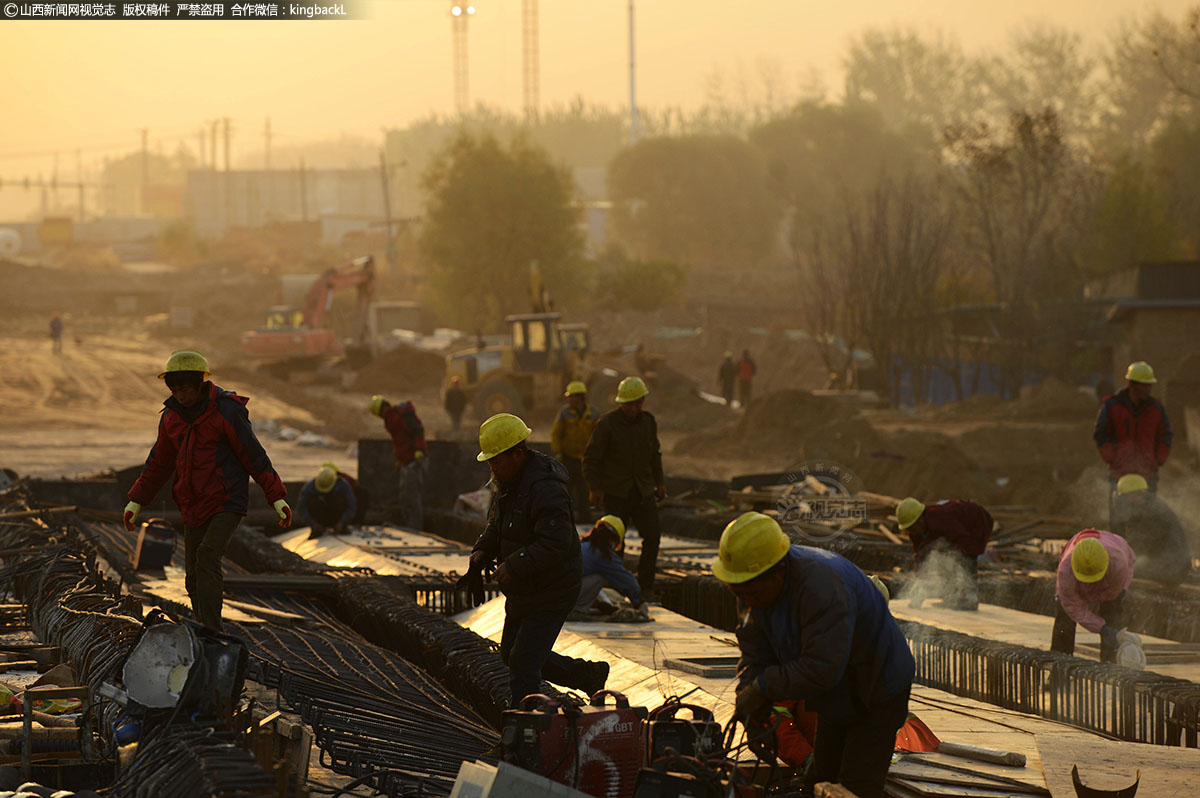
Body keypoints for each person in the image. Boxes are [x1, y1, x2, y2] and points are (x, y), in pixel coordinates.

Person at [715, 512, 914, 798]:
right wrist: (753, 705)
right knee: (819, 779)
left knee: (854, 788)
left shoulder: (821, 587)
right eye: (739, 593)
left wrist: (764, 688)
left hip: (878, 686)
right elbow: (755, 651)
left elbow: (821, 667)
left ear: (778, 571)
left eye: (753, 594)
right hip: (838, 689)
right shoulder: (755, 591)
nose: (747, 602)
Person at [123, 349, 290, 631]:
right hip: (192, 504)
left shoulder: (227, 411)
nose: (180, 395)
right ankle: (203, 627)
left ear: (200, 383)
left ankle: (213, 632)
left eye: (185, 388)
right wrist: (136, 501)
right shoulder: (171, 418)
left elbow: (253, 454)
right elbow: (158, 463)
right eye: (174, 389)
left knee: (207, 556)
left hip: (226, 501)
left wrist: (276, 496)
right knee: (191, 578)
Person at [468, 413, 608, 706]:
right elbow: (498, 525)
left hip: (552, 589)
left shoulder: (546, 487)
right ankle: (585, 675)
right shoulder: (508, 484)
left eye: (496, 460)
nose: (491, 467)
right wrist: (482, 551)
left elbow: (555, 542)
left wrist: (513, 564)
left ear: (517, 454)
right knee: (510, 654)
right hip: (526, 588)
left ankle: (528, 737)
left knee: (523, 666)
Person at [583, 376, 665, 597]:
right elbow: (591, 459)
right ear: (621, 403)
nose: (635, 408)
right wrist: (595, 487)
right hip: (616, 492)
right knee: (614, 542)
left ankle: (645, 585)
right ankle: (617, 587)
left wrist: (659, 482)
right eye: (630, 404)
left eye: (639, 403)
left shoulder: (648, 422)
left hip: (642, 491)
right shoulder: (607, 425)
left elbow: (654, 455)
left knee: (653, 535)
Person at [1094, 361, 1171, 522]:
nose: (1149, 389)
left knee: (1148, 519)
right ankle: (1119, 546)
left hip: (1148, 475)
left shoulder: (1156, 408)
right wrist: (1112, 458)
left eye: (1150, 385)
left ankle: (1143, 547)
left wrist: (1158, 459)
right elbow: (1101, 434)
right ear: (1132, 385)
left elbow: (1166, 435)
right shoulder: (1112, 406)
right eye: (1145, 385)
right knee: (1118, 518)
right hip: (1119, 474)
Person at [1051, 529, 1135, 663]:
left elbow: (1111, 594)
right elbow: (1073, 606)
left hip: (1112, 576)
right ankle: (1059, 665)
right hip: (1076, 576)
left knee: (1112, 613)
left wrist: (1108, 629)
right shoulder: (1065, 569)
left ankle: (1111, 666)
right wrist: (1101, 628)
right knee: (1064, 615)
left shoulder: (1119, 562)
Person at [896, 497, 992, 611]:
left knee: (966, 556)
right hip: (959, 531)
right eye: (908, 529)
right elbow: (920, 556)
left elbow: (963, 539)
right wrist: (920, 582)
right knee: (944, 559)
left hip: (977, 521)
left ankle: (970, 598)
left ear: (920, 519)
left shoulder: (941, 519)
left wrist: (956, 556)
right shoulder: (915, 532)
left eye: (912, 528)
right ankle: (949, 597)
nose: (911, 532)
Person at [1110, 474, 1191, 587]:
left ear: (1136, 495)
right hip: (1170, 564)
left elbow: (1141, 544)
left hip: (1173, 569)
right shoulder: (1145, 507)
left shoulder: (1153, 513)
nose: (1125, 501)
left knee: (1124, 573)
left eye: (1126, 497)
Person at [369, 395, 428, 530]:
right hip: (406, 462)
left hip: (415, 461)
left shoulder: (403, 414)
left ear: (383, 408)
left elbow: (417, 431)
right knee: (404, 497)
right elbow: (399, 442)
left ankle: (415, 528)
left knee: (412, 497)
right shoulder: (390, 419)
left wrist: (419, 450)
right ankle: (409, 525)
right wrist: (399, 460)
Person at [573, 515, 648, 617]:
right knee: (598, 577)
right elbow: (626, 580)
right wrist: (639, 602)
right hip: (562, 597)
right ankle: (576, 611)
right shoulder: (601, 554)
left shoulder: (583, 545)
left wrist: (600, 605)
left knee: (593, 577)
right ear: (612, 538)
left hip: (553, 593)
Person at [551, 380, 596, 523]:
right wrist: (558, 454)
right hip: (568, 458)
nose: (569, 399)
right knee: (567, 491)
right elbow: (556, 434)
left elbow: (598, 437)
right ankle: (565, 520)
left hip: (586, 459)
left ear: (581, 397)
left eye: (572, 396)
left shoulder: (593, 414)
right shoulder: (564, 413)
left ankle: (585, 521)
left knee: (585, 491)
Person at [297, 462, 358, 539]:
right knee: (312, 501)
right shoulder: (309, 487)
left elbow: (351, 506)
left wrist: (342, 522)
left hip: (337, 515)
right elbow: (301, 508)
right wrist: (313, 523)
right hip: (320, 516)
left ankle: (341, 528)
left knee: (338, 500)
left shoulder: (343, 485)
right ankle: (317, 529)